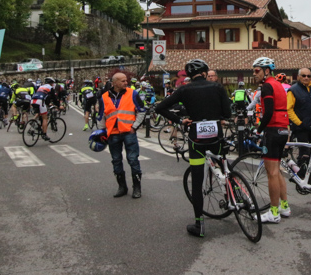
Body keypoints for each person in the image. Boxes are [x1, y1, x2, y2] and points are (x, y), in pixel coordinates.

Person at [156, 59, 231, 237]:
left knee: (197, 182)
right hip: (216, 136)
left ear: (189, 75)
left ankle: (199, 225)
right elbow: (227, 113)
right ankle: (232, 200)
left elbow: (161, 107)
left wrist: (180, 120)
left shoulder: (184, 89)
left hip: (196, 137)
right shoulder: (217, 87)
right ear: (205, 72)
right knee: (224, 170)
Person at [252, 56, 291, 223]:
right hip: (283, 129)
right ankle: (285, 206)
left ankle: (274, 212)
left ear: (266, 70)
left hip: (273, 129)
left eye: (257, 70)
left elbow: (267, 112)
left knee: (272, 173)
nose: (254, 74)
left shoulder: (267, 86)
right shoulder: (278, 85)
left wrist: (258, 130)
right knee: (278, 170)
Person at [98, 71, 146, 199]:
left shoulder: (132, 93)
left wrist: (134, 127)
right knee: (116, 160)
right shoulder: (104, 97)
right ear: (114, 83)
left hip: (128, 132)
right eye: (123, 81)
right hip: (113, 134)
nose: (126, 83)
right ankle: (122, 187)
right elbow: (102, 116)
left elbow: (142, 111)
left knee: (133, 159)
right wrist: (101, 133)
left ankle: (137, 188)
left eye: (126, 80)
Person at [287, 67, 311, 177]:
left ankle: (308, 175)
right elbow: (289, 109)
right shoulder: (293, 90)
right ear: (298, 77)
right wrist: (299, 123)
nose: (306, 78)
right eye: (303, 75)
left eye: (308, 75)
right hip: (301, 127)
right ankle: (300, 176)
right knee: (304, 153)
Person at [30, 77, 59, 141]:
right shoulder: (50, 88)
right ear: (51, 83)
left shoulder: (41, 87)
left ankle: (32, 121)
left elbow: (45, 96)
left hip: (33, 100)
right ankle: (44, 134)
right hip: (40, 101)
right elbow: (54, 98)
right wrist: (58, 106)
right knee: (45, 118)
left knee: (39, 113)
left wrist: (48, 104)